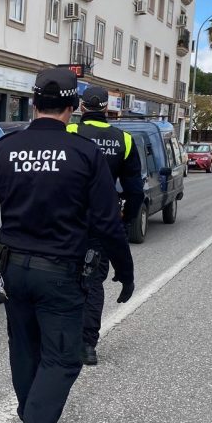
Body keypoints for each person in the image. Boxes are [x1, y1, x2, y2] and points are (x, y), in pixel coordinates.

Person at [0, 68, 135, 423]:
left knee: (24, 350)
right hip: (61, 274)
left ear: (32, 103)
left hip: (13, 271)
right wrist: (124, 271)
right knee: (62, 358)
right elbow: (108, 223)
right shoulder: (85, 153)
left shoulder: (3, 149)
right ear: (72, 109)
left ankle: (32, 416)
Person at [66, 85, 144, 366]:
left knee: (64, 277)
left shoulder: (70, 133)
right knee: (93, 281)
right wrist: (128, 220)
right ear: (108, 108)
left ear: (82, 108)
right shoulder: (124, 139)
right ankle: (87, 345)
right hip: (103, 222)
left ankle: (61, 338)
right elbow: (135, 190)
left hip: (69, 220)